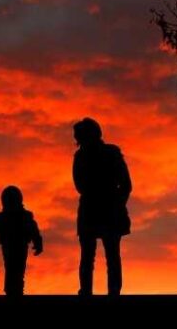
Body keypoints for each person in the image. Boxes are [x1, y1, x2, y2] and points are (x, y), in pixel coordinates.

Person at [72, 118, 132, 296]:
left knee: (107, 255)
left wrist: (116, 204)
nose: (77, 140)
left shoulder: (110, 153)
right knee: (95, 255)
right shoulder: (84, 156)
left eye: (79, 136)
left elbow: (126, 185)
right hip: (94, 210)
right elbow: (79, 185)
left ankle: (109, 292)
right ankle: (90, 292)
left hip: (104, 210)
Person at [0, 185, 44, 296]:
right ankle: (13, 290)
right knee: (16, 269)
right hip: (16, 245)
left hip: (13, 245)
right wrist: (38, 243)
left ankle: (13, 290)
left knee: (13, 268)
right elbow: (34, 231)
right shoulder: (23, 216)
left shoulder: (7, 217)